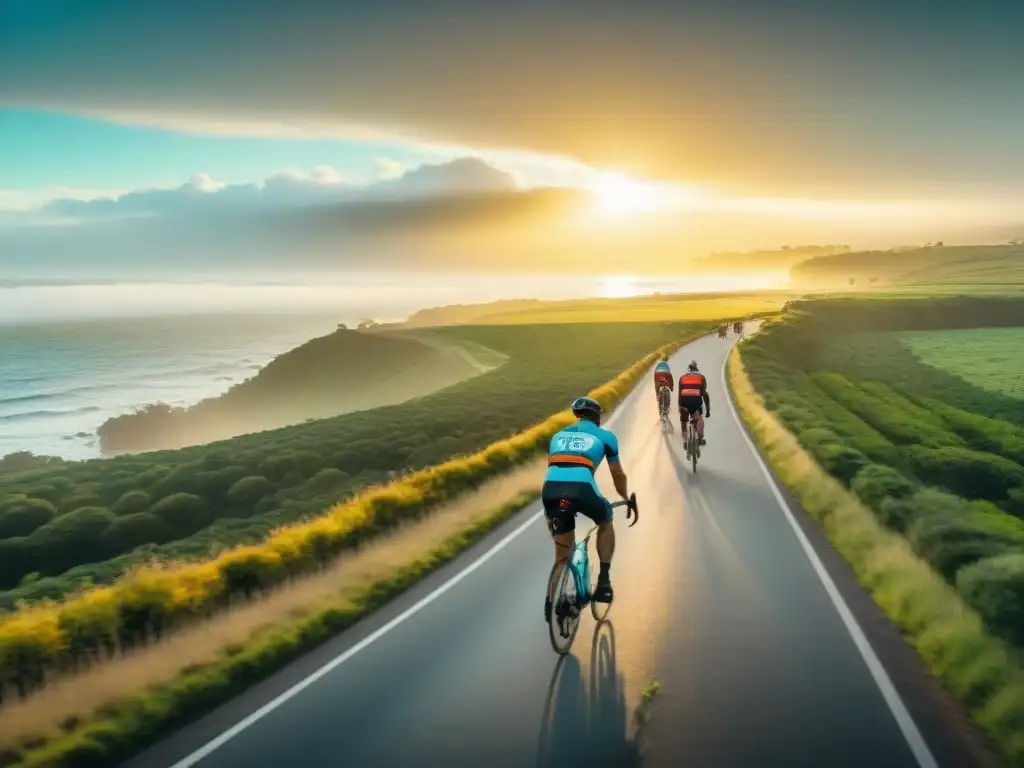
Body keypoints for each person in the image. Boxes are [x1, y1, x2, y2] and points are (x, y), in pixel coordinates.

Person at [542, 396, 630, 622]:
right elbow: (617, 474)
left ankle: (551, 603)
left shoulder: (558, 436)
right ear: (596, 416)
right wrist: (625, 497)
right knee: (606, 520)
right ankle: (603, 581)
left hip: (551, 491)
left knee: (562, 554)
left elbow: (558, 470)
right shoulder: (606, 437)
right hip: (581, 488)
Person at [678, 360, 711, 446]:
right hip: (696, 403)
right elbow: (704, 394)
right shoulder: (701, 378)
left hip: (684, 402)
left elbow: (680, 395)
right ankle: (700, 438)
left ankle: (685, 441)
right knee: (699, 418)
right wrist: (708, 411)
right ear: (696, 369)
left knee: (684, 422)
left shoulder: (682, 378)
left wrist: (680, 408)